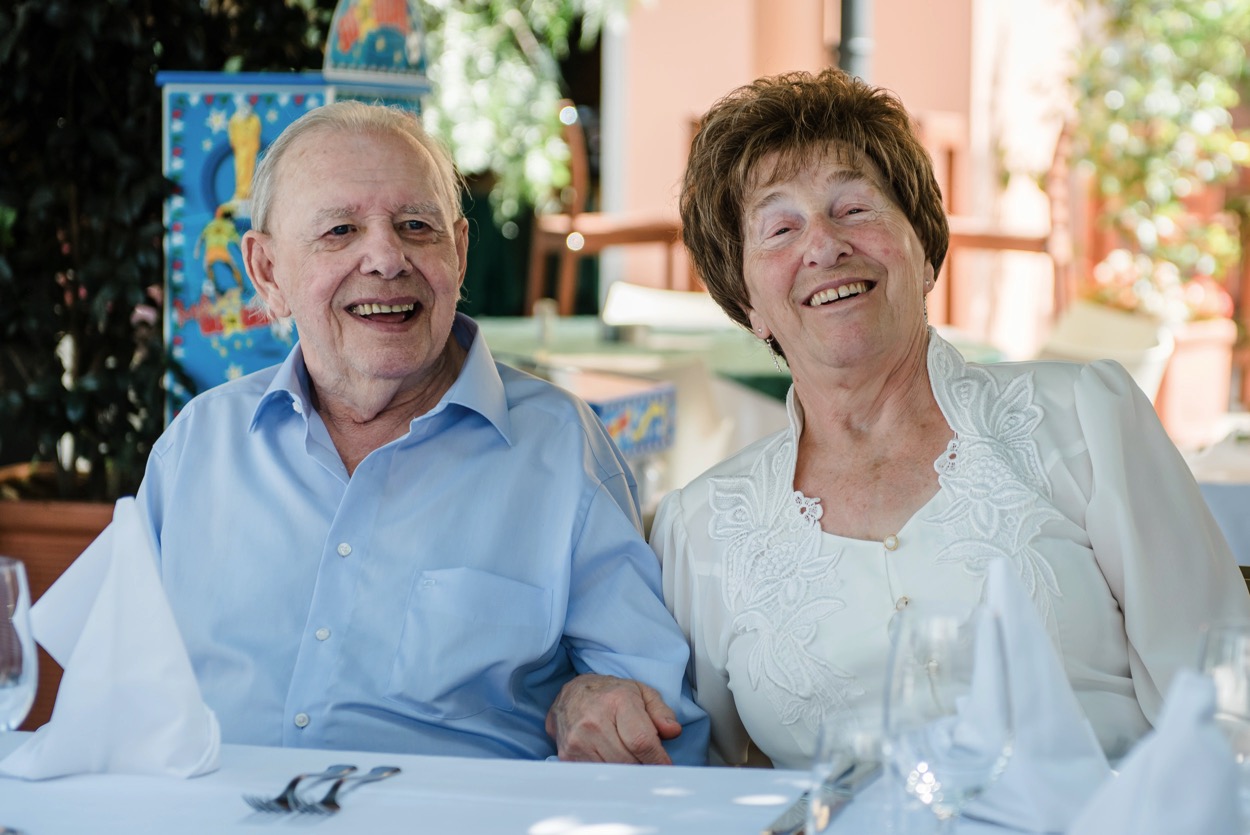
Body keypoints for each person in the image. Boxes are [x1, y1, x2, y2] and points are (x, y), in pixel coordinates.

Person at [650, 67, 1250, 769]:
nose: (823, 245)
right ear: (746, 300)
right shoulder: (700, 529)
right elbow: (708, 781)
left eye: (854, 208)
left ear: (924, 248)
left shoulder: (1086, 419)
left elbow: (1223, 703)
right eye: (779, 227)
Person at [136, 100, 708, 764]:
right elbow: (119, 686)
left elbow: (655, 714)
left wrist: (602, 697)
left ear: (459, 253)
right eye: (340, 230)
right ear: (268, 272)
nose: (385, 256)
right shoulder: (199, 445)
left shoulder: (558, 448)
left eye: (416, 225)